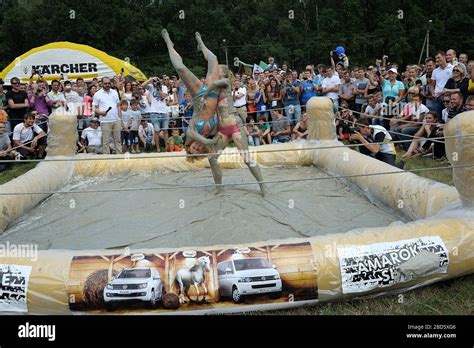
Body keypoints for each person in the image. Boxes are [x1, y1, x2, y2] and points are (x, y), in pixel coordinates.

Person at [162, 29, 220, 140]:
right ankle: (201, 45)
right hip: (213, 93)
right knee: (213, 58)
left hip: (199, 94)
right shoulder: (214, 130)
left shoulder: (193, 130)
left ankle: (169, 44)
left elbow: (189, 137)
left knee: (180, 68)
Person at [93, 77, 122, 154]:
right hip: (105, 121)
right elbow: (94, 108)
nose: (107, 85)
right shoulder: (97, 94)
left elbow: (118, 105)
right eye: (105, 83)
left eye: (109, 83)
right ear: (102, 84)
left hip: (116, 120)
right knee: (106, 141)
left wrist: (119, 118)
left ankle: (119, 158)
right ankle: (106, 158)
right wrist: (101, 112)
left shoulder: (115, 92)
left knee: (118, 140)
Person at [430, 51, 454, 117]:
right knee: (436, 117)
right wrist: (432, 92)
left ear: (444, 57)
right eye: (436, 58)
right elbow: (432, 84)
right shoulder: (435, 71)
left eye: (439, 57)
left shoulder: (452, 68)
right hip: (437, 97)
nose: (437, 60)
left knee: (448, 116)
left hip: (448, 97)